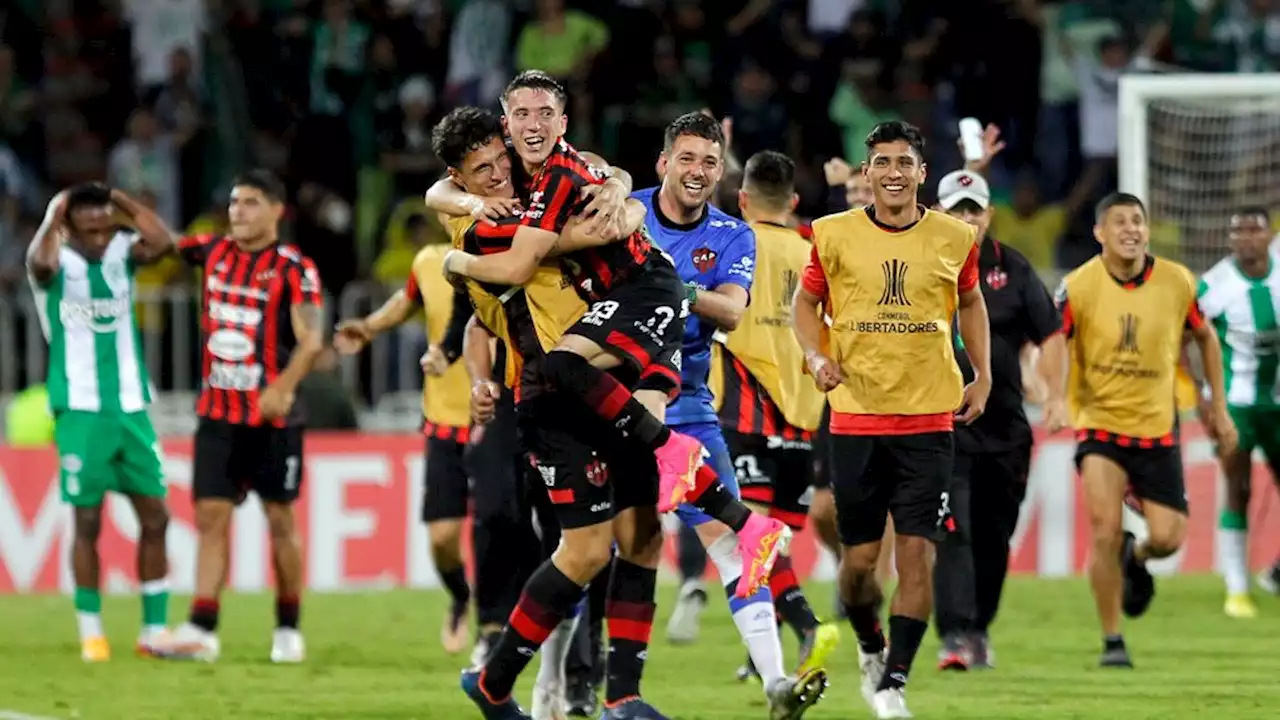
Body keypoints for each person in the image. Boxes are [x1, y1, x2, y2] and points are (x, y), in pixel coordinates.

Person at [435, 75, 789, 593]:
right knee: (645, 460)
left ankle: (776, 639)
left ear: (562, 122)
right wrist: (471, 208)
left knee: (574, 389)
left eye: (544, 114)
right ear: (506, 126)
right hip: (601, 332)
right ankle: (750, 525)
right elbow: (439, 194)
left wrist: (458, 259)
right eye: (522, 116)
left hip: (635, 304)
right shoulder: (498, 189)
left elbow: (545, 247)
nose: (532, 126)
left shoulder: (554, 177)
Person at [792, 120, 992, 719]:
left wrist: (981, 373)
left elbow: (972, 301)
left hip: (929, 422)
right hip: (855, 420)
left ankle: (893, 684)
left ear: (921, 172)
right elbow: (805, 303)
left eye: (904, 162)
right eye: (882, 163)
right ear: (868, 171)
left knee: (917, 556)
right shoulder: (831, 235)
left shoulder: (956, 237)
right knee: (857, 568)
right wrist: (815, 355)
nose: (894, 173)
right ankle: (872, 646)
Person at [636, 122, 827, 717]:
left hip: (689, 402)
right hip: (611, 398)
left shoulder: (733, 235)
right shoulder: (624, 209)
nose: (696, 170)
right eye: (686, 158)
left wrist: (672, 287)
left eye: (709, 161)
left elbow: (731, 311)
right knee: (598, 547)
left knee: (736, 545)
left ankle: (774, 682)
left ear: (722, 174)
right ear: (663, 161)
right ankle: (565, 689)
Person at [1041, 192, 1236, 668]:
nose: (1131, 229)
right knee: (1104, 529)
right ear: (1099, 233)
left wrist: (1218, 406)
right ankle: (1112, 640)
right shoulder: (1078, 286)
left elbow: (1205, 340)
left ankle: (1140, 556)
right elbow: (1052, 341)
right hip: (1100, 425)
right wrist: (1053, 396)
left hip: (1158, 426)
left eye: (1138, 222)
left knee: (1169, 537)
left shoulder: (1177, 281)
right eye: (1120, 221)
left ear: (1147, 231)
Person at [155, 170, 326, 664]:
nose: (238, 211)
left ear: (277, 210)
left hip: (275, 420)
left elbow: (313, 338)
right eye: (234, 202)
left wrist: (283, 386)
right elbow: (165, 241)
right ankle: (202, 627)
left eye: (251, 202)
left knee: (280, 521)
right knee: (210, 517)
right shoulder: (211, 253)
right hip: (217, 414)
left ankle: (289, 625)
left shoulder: (294, 267)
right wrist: (120, 202)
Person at [26, 184, 178, 662]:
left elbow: (165, 244)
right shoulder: (54, 263)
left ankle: (154, 630)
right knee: (87, 520)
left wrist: (123, 202)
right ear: (69, 227)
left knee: (156, 517)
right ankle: (92, 631)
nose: (97, 238)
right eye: (87, 229)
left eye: (103, 228)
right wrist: (54, 214)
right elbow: (38, 264)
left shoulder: (120, 252)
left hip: (131, 407)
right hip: (80, 409)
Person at [703, 150, 839, 682]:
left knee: (746, 539)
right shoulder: (815, 250)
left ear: (741, 200)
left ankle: (805, 624)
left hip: (745, 405)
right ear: (795, 202)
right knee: (772, 538)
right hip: (806, 415)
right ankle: (765, 655)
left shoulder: (733, 243)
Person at [333, 216, 494, 654]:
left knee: (497, 530)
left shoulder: (506, 258)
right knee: (442, 538)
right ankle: (461, 596)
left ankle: (493, 627)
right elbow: (406, 303)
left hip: (496, 420)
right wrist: (368, 326)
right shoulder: (428, 261)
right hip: (444, 418)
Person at [928, 169, 1063, 670]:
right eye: (957, 209)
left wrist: (1055, 393)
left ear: (988, 216)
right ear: (939, 214)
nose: (967, 219)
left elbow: (1050, 332)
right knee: (952, 531)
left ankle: (980, 626)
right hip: (945, 427)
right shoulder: (922, 266)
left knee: (993, 536)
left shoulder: (1013, 267)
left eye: (974, 209)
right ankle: (954, 635)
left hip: (1006, 430)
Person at [1184, 207, 1280, 619]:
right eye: (1236, 231)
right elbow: (1182, 337)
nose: (1244, 238)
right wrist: (1202, 397)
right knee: (1238, 487)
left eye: (1253, 230)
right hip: (1235, 405)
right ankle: (1236, 587)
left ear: (1268, 234)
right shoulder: (1214, 286)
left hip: (1277, 404)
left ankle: (1274, 573)